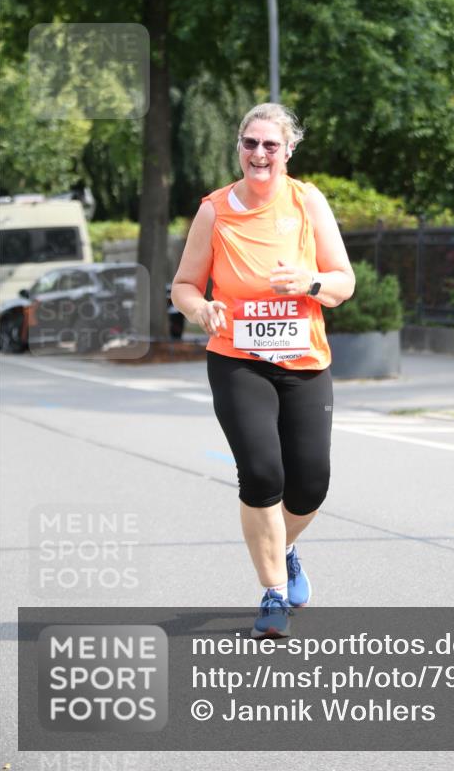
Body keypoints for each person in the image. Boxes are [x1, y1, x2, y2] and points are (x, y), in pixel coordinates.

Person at [171, 103, 355, 638]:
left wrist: (308, 282)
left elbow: (343, 283)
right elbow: (183, 283)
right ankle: (273, 592)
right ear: (239, 148)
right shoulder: (214, 211)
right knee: (261, 474)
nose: (259, 154)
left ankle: (285, 545)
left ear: (288, 152)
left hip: (304, 362)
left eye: (270, 145)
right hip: (237, 360)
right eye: (250, 143)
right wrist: (199, 308)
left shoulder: (307, 202)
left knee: (310, 486)